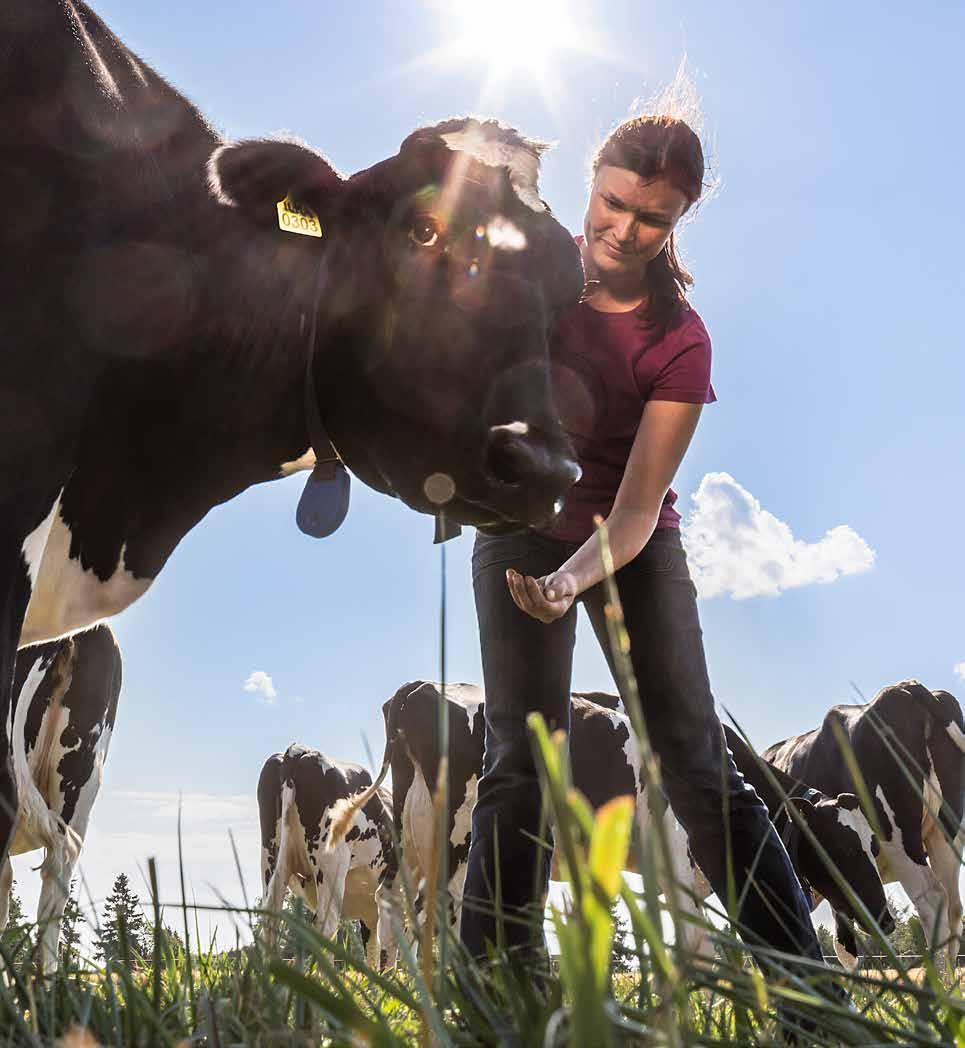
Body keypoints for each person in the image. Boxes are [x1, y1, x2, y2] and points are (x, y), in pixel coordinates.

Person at [460, 111, 825, 976]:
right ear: (589, 183)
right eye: (612, 203)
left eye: (651, 218)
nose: (623, 229)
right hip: (516, 525)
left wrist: (566, 580)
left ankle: (805, 985)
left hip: (631, 549)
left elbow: (631, 511)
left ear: (677, 223)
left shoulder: (679, 343)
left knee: (694, 763)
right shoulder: (529, 287)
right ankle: (496, 980)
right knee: (519, 755)